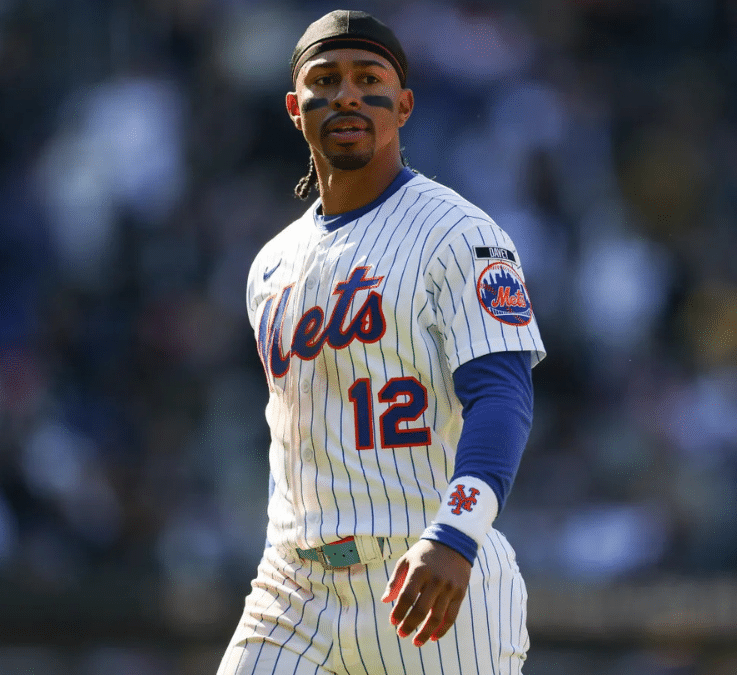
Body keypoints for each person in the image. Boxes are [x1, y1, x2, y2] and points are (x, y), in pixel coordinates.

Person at [218, 10, 546, 675]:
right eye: (325, 80)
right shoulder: (269, 266)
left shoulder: (458, 233)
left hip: (428, 568)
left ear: (404, 105)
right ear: (294, 107)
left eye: (369, 79)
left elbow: (503, 395)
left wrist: (458, 532)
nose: (346, 95)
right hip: (294, 581)